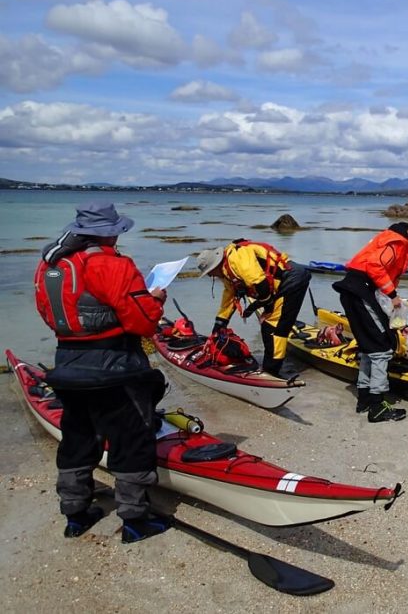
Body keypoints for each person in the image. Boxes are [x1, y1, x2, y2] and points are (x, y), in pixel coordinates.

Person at [34, 202, 172, 543]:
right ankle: (134, 520)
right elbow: (143, 322)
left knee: (78, 436)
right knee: (132, 439)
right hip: (115, 366)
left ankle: (75, 514)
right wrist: (156, 299)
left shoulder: (50, 265)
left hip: (66, 363)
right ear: (111, 233)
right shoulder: (113, 264)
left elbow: (48, 314)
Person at [332, 220, 408, 422]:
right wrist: (393, 295)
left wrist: (398, 321)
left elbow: (381, 289)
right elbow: (374, 266)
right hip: (361, 292)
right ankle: (377, 406)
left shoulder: (388, 239)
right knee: (381, 349)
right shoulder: (398, 243)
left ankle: (364, 400)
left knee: (368, 346)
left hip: (353, 291)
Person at [195, 239, 311, 378]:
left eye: (209, 272)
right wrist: (219, 325)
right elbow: (229, 299)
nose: (210, 275)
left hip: (292, 279)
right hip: (282, 284)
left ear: (216, 264)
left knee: (273, 328)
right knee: (272, 324)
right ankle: (274, 364)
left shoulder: (236, 258)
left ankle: (276, 370)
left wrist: (264, 307)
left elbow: (261, 284)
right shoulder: (227, 271)